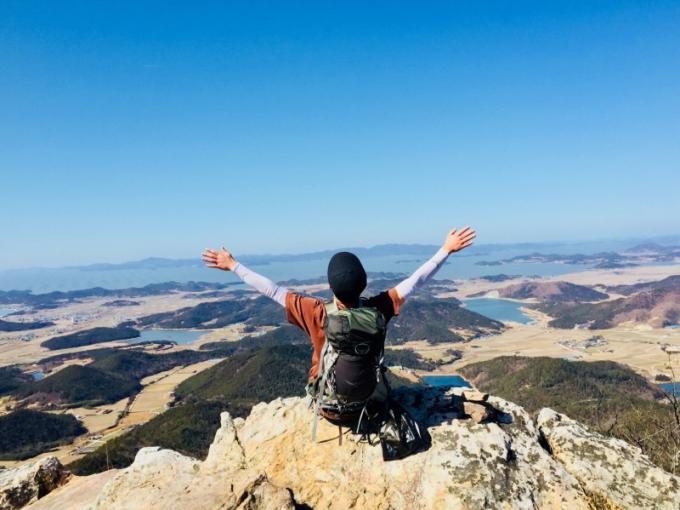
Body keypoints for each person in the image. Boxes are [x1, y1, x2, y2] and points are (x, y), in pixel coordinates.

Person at [201, 227, 476, 437]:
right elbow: (416, 281)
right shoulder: (379, 308)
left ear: (330, 286)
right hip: (370, 407)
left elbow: (272, 290)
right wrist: (446, 250)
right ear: (364, 283)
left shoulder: (316, 311)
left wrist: (233, 265)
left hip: (328, 410)